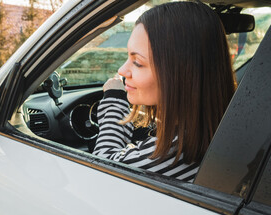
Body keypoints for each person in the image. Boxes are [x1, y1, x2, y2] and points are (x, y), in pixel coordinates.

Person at [92, 1, 236, 182]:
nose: (122, 70)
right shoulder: (224, 127)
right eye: (128, 57)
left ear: (181, 73)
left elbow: (101, 167)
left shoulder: (176, 153)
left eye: (138, 62)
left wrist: (114, 100)